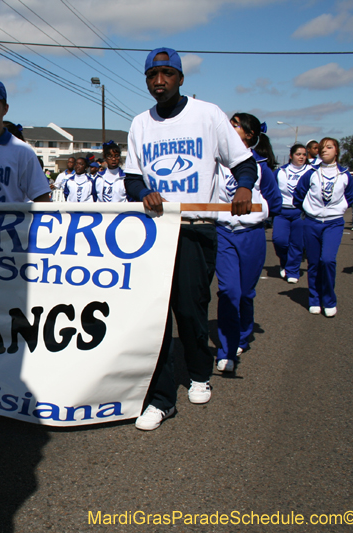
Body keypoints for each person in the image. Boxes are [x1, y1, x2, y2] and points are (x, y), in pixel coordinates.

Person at [125, 47, 258, 431]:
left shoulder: (208, 114)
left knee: (190, 308)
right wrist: (142, 194)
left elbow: (244, 162)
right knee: (156, 316)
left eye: (167, 73)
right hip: (156, 231)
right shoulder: (140, 124)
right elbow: (133, 177)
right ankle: (162, 398)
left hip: (196, 229)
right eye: (153, 75)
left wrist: (244, 190)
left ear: (181, 78)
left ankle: (199, 372)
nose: (160, 81)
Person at [215, 114, 282, 373]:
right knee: (228, 291)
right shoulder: (216, 162)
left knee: (244, 293)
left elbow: (274, 203)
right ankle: (227, 350)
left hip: (252, 235)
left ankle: (243, 334)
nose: (230, 129)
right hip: (223, 233)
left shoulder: (262, 166)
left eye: (236, 126)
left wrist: (257, 214)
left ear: (250, 135)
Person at [293, 137, 353, 317]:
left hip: (333, 223)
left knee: (327, 260)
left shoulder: (344, 174)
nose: (324, 150)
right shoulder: (311, 172)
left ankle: (328, 299)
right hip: (311, 223)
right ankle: (314, 298)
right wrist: (308, 210)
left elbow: (350, 197)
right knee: (313, 262)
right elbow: (299, 194)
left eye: (329, 147)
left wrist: (337, 209)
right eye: (322, 148)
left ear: (337, 151)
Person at [272, 143, 310, 283]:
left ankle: (293, 270)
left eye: (304, 154)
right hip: (282, 211)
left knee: (297, 242)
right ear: (291, 155)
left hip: (300, 212)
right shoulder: (280, 172)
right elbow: (272, 190)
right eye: (298, 154)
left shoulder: (311, 171)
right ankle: (285, 261)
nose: (301, 157)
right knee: (279, 240)